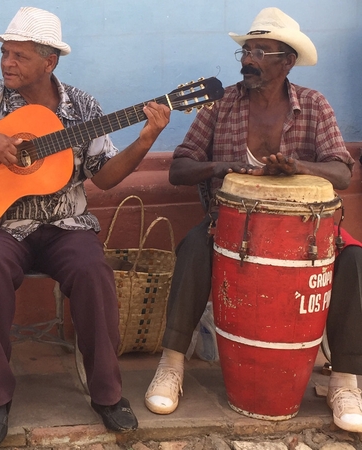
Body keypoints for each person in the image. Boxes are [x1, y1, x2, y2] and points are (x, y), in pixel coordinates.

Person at [0, 6, 170, 445]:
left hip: (67, 224)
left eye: (20, 57)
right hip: (1, 226)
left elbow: (104, 177)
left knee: (93, 271)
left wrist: (145, 139)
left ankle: (107, 393)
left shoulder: (84, 107)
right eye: (5, 53)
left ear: (50, 61)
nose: (7, 63)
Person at [144, 7, 362, 433]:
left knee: (353, 259)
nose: (250, 59)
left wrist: (297, 167)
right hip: (226, 224)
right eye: (248, 50)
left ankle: (346, 380)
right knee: (193, 248)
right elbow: (179, 167)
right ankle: (171, 365)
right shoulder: (220, 103)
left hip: (305, 234)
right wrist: (223, 166)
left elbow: (342, 170)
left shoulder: (313, 105)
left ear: (287, 61)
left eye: (263, 51)